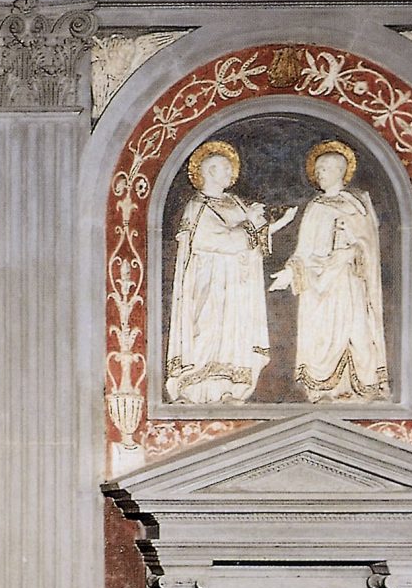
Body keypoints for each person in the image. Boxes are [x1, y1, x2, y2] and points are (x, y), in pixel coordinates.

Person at [165, 141, 293, 405]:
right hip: (210, 281)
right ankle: (199, 389)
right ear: (209, 171)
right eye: (224, 168)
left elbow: (254, 237)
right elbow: (212, 239)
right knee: (208, 329)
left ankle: (229, 389)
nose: (230, 173)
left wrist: (278, 224)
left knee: (235, 333)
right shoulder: (197, 205)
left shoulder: (235, 202)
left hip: (237, 283)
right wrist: (250, 223)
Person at [270, 140, 388, 401]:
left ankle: (360, 387)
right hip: (319, 283)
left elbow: (369, 244)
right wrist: (290, 272)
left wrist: (352, 251)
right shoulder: (316, 207)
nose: (320, 173)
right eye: (318, 169)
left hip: (349, 279)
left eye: (325, 168)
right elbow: (303, 251)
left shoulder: (357, 205)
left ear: (340, 171)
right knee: (323, 333)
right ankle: (324, 390)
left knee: (357, 329)